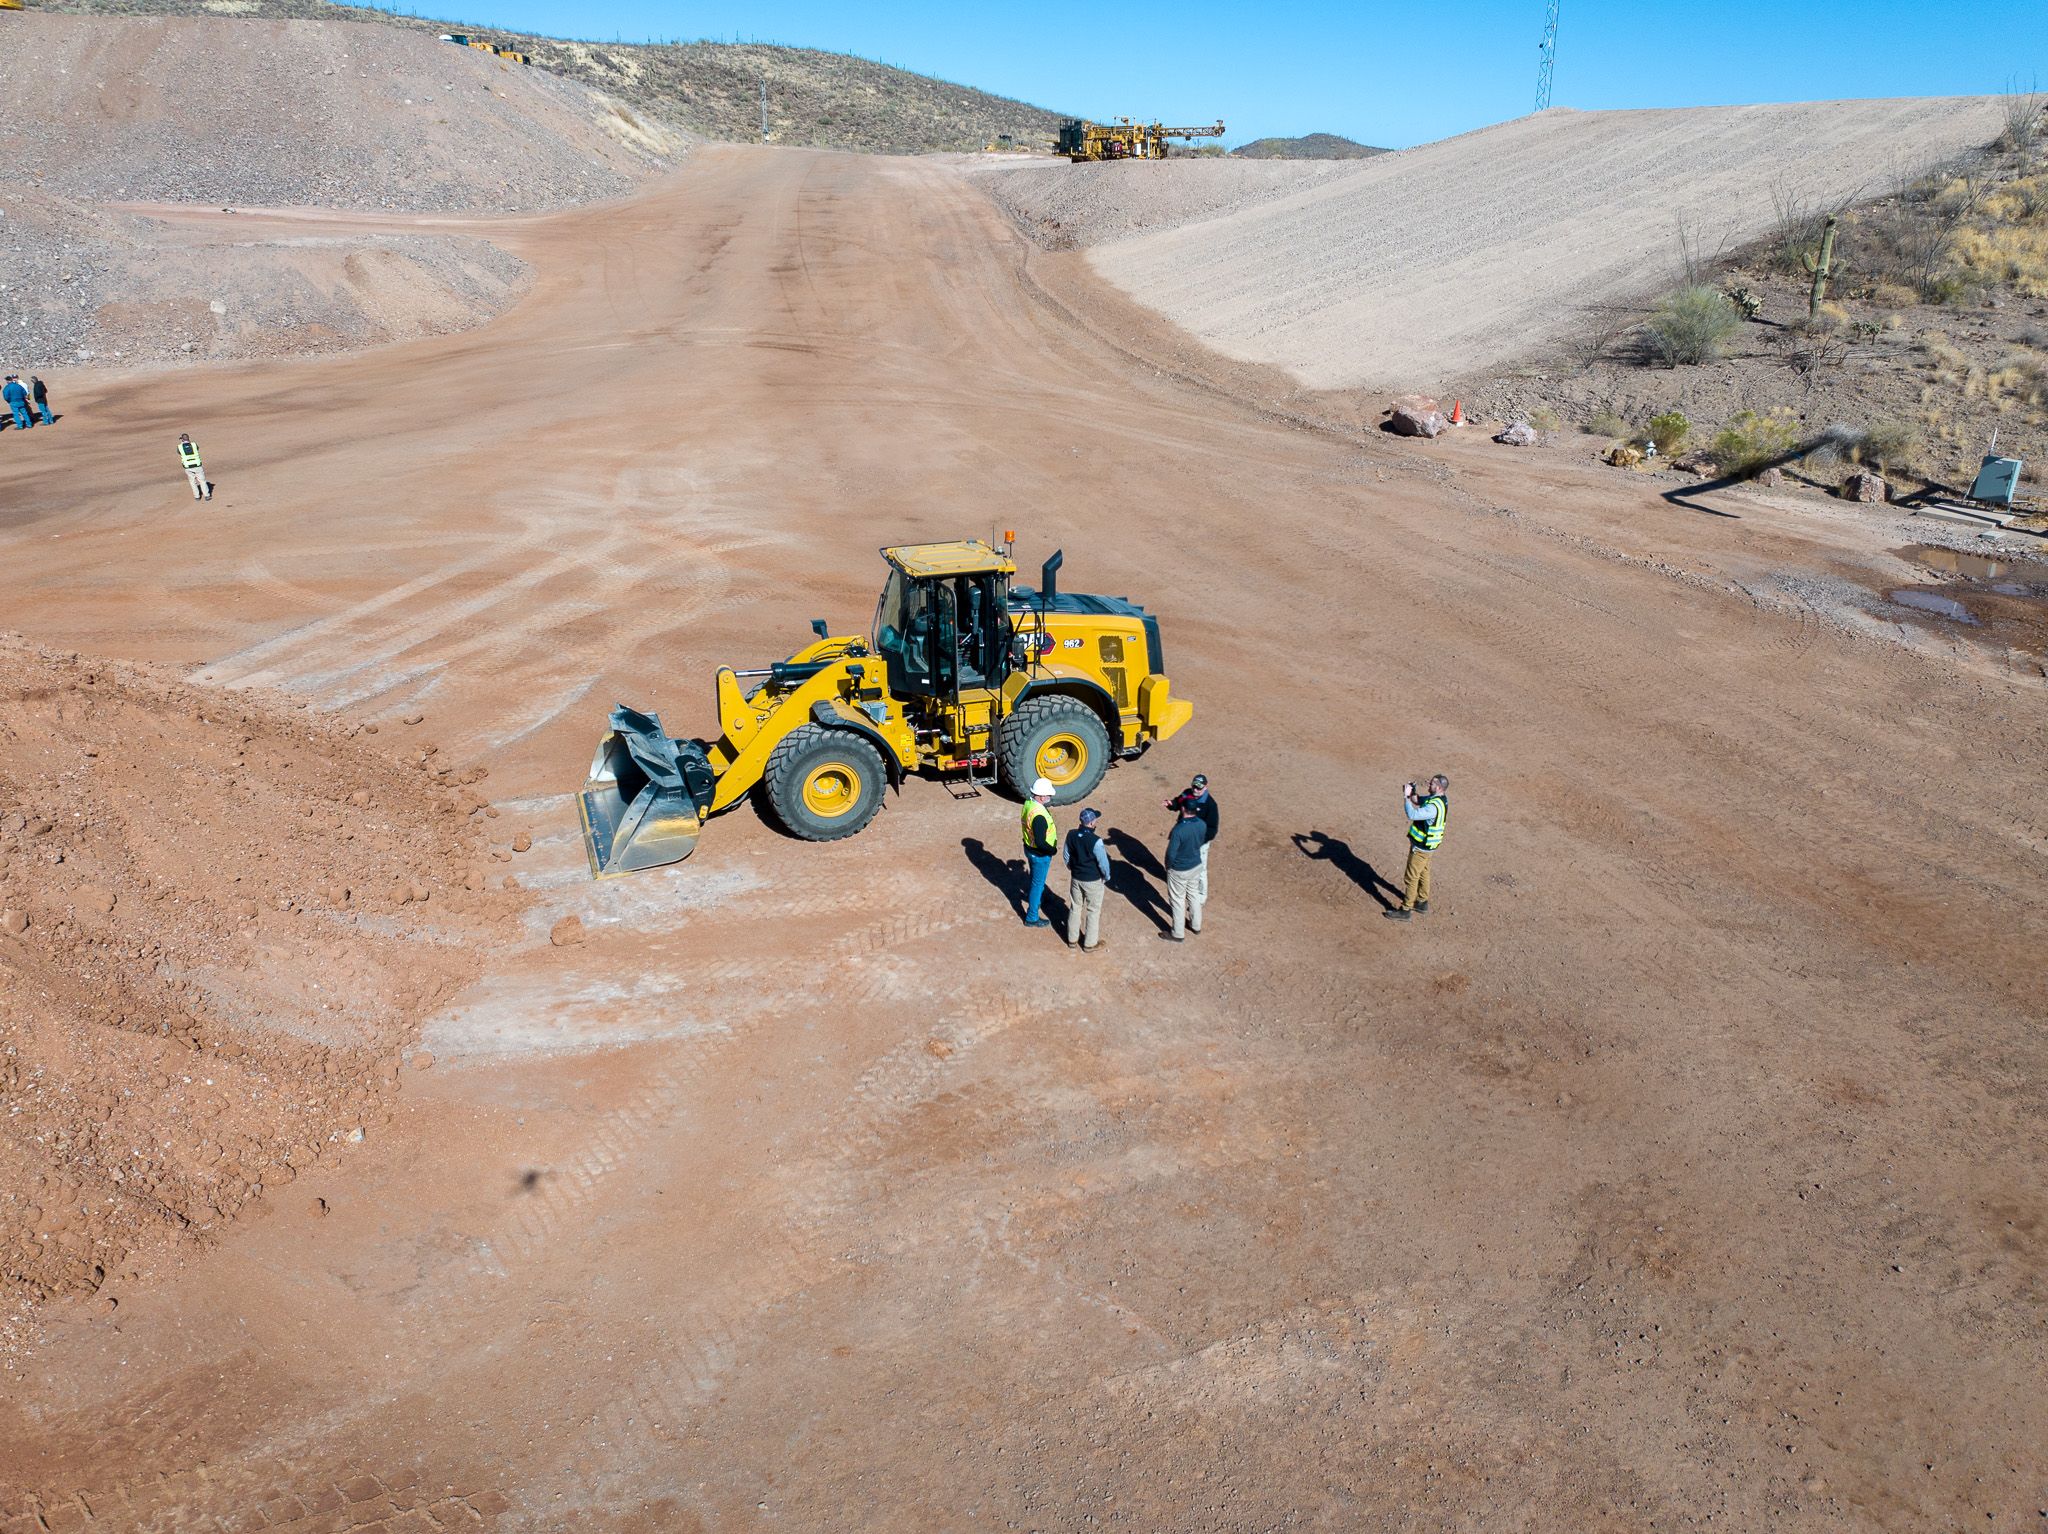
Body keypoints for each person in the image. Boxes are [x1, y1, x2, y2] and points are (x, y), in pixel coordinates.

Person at [1385, 774, 1449, 921]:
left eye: (1431, 783)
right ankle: (1421, 902)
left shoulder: (1432, 807)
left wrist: (1406, 797)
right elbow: (1419, 800)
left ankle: (1406, 910)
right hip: (1429, 847)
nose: (1428, 784)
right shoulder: (1440, 799)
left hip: (1421, 849)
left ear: (1438, 787)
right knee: (1424, 873)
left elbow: (1412, 813)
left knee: (1411, 877)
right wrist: (1412, 793)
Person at [1063, 806, 1112, 951]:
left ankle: (1072, 940)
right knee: (1093, 911)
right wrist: (1106, 877)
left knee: (1075, 907)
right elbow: (1103, 863)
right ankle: (1090, 944)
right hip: (1093, 881)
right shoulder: (1096, 841)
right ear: (1091, 823)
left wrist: (1073, 869)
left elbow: (1066, 856)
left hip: (1076, 878)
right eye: (1095, 819)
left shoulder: (1071, 834)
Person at [1166, 772, 1217, 903]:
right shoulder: (1187, 793)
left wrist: (1199, 841)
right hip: (1184, 838)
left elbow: (1212, 829)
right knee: (1179, 860)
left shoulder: (1210, 805)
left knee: (1201, 869)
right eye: (1194, 786)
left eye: (1199, 788)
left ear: (1205, 787)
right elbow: (1179, 802)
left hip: (1200, 843)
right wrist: (1171, 804)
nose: (1195, 790)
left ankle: (1201, 896)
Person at [1162, 800, 1207, 941]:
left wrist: (1168, 866)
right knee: (1193, 895)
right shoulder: (1202, 824)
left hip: (1179, 869)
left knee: (1177, 900)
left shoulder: (1179, 830)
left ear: (1183, 809)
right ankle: (1195, 925)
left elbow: (1171, 854)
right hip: (1196, 865)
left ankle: (1178, 933)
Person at [1020, 776, 1058, 927]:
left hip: (1030, 848)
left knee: (1036, 882)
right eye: (1048, 795)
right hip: (1040, 854)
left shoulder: (1029, 804)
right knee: (1037, 883)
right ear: (1041, 796)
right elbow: (1042, 842)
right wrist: (1052, 850)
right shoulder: (1040, 816)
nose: (1050, 797)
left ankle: (1038, 900)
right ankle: (1032, 917)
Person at [177, 434, 210, 500]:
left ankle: (197, 496)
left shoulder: (179, 447)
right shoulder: (194, 444)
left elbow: (179, 452)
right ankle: (207, 496)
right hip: (197, 465)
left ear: (182, 439)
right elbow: (197, 449)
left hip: (188, 466)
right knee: (202, 481)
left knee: (192, 482)